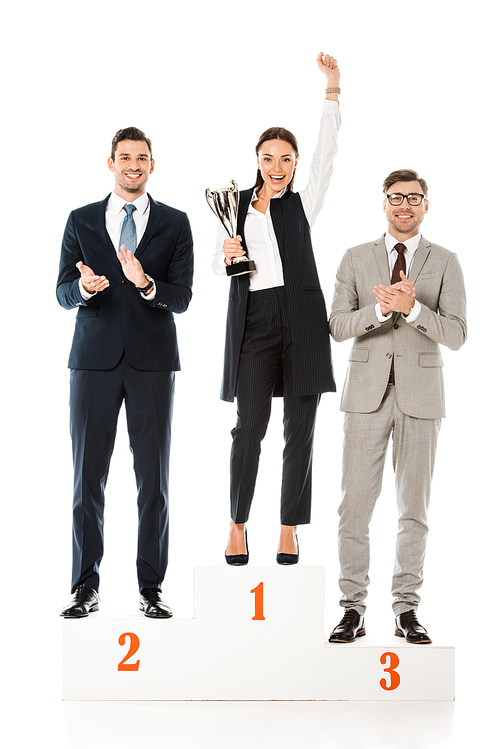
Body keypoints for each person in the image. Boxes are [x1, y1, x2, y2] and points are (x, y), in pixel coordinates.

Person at [57, 127, 193, 618]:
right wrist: (86, 289)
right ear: (110, 162)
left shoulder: (176, 224)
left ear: (152, 164)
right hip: (92, 362)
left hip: (152, 363)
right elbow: (61, 292)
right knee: (86, 478)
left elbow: (182, 297)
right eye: (124, 157)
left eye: (142, 158)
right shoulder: (81, 220)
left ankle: (151, 588)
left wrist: (147, 283)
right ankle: (84, 586)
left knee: (153, 480)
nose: (133, 165)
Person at [212, 53, 340, 565]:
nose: (279, 166)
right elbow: (229, 268)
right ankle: (237, 524)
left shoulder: (303, 203)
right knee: (249, 427)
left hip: (303, 322)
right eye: (270, 157)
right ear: (258, 159)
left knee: (300, 430)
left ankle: (289, 527)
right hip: (256, 322)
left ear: (294, 162)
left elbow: (328, 155)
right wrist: (227, 257)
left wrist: (332, 93)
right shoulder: (233, 204)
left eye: (287, 158)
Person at [328, 169, 466, 643]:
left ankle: (407, 611)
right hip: (365, 396)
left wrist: (413, 311)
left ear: (427, 204)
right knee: (353, 510)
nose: (403, 205)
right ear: (382, 203)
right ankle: (352, 609)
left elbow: (458, 334)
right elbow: (337, 325)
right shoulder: (355, 257)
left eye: (413, 198)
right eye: (395, 197)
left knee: (414, 510)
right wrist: (382, 311)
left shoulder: (446, 261)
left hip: (421, 397)